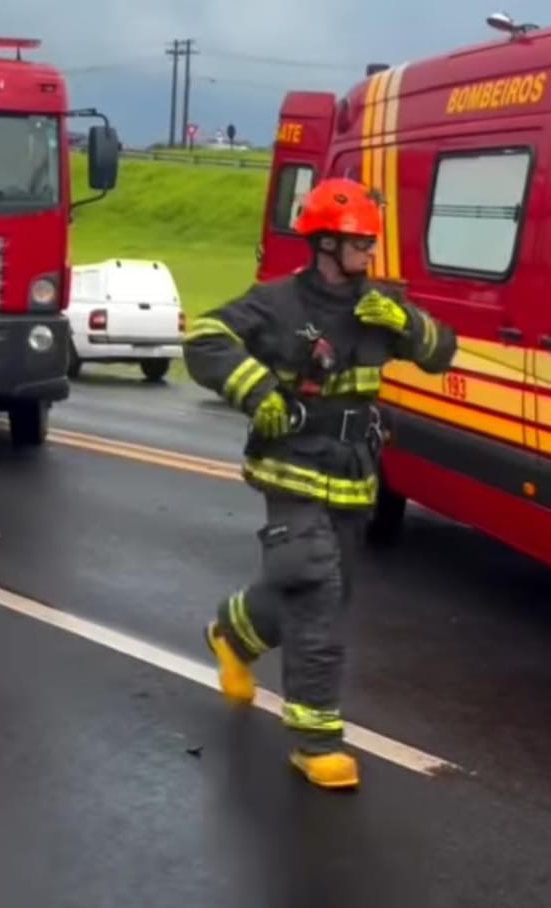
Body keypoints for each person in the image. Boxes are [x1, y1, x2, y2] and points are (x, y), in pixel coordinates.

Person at [183, 178, 456, 792]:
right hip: (292, 469)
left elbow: (444, 353)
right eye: (360, 241)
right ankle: (316, 739)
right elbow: (204, 339)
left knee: (319, 591)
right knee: (315, 589)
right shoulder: (277, 304)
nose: (369, 251)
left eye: (370, 241)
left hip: (355, 477)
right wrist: (254, 389)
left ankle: (231, 632)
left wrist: (408, 323)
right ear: (326, 243)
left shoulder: (379, 307)